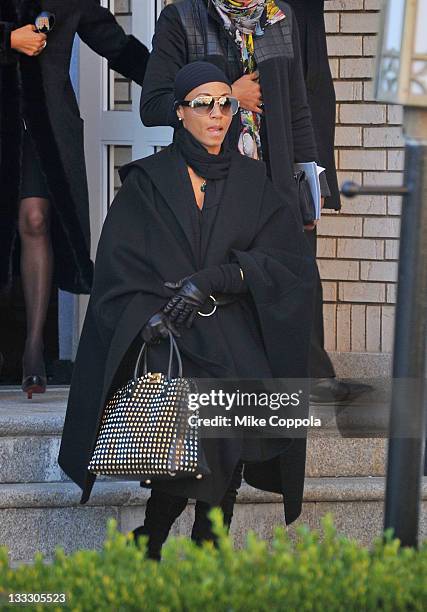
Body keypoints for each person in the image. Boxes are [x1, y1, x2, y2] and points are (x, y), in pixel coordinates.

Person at [58, 61, 317, 560]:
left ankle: (166, 539)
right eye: (203, 105)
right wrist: (151, 316)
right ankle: (202, 537)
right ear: (180, 113)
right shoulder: (148, 183)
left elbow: (287, 263)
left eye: (225, 103)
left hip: (231, 323)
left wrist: (217, 279)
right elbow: (119, 270)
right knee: (213, 407)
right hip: (165, 334)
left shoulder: (254, 182)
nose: (217, 115)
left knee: (231, 399)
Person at [0, 0, 149, 397]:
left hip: (41, 124)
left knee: (35, 217)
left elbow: (114, 44)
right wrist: (8, 39)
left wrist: (180, 85)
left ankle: (34, 350)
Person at [287, 0, 372, 403]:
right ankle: (309, 377)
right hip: (260, 145)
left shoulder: (296, 15)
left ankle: (313, 376)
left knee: (300, 258)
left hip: (297, 149)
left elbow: (312, 97)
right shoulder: (261, 16)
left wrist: (315, 178)